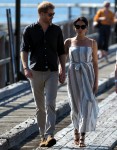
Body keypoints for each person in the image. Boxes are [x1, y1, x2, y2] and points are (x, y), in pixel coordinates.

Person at [20, 1, 66, 147]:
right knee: (40, 107)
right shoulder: (29, 30)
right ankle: (42, 137)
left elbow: (61, 51)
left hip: (52, 71)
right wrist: (25, 67)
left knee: (50, 103)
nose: (52, 16)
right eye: (50, 14)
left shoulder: (57, 30)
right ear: (41, 14)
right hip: (35, 72)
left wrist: (62, 69)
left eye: (53, 14)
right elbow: (24, 50)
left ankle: (50, 134)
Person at [64, 17, 99, 147]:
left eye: (82, 26)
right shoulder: (68, 42)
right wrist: (61, 72)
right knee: (75, 105)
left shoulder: (92, 42)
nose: (80, 29)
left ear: (87, 28)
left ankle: (83, 135)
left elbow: (95, 63)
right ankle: (75, 130)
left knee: (87, 104)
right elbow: (62, 60)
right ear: (74, 28)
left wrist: (96, 82)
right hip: (73, 75)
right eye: (77, 26)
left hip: (88, 74)